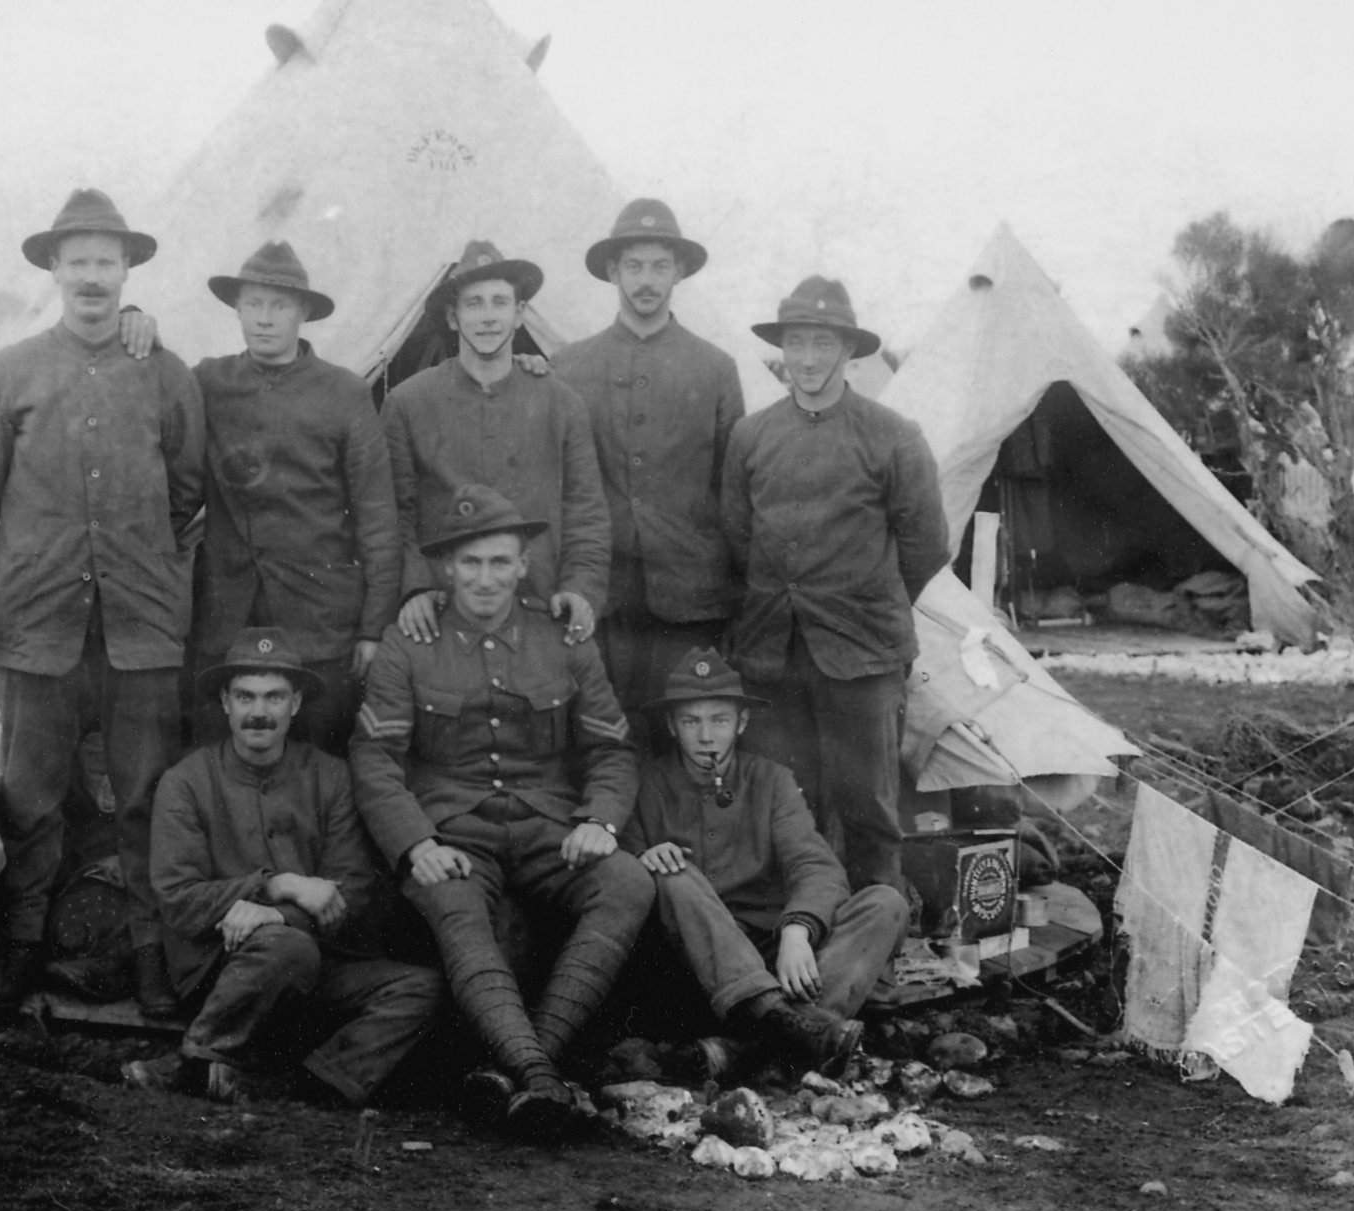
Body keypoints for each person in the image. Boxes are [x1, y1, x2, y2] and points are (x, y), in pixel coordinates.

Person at [0, 188, 204, 1014]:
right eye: (77, 259)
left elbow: (188, 487)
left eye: (107, 259)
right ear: (52, 269)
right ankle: (20, 950)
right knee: (30, 799)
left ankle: (151, 958)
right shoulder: (8, 372)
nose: (93, 275)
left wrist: (133, 555)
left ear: (129, 269)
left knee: (146, 799)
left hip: (140, 631)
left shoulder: (166, 373)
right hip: (36, 626)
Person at [353, 483, 650, 1139]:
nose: (483, 579)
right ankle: (542, 1078)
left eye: (498, 562)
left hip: (549, 827)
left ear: (522, 566)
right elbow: (374, 757)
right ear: (445, 570)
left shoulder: (563, 637)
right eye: (469, 563)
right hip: (451, 830)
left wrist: (598, 820)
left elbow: (611, 749)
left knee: (626, 880)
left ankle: (520, 1069)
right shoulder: (409, 642)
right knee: (453, 902)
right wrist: (416, 844)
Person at [142, 628, 446, 1103]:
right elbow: (179, 899)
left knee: (420, 987)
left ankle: (305, 1085)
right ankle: (193, 1059)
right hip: (221, 968)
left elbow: (353, 890)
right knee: (285, 949)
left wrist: (277, 914)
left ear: (296, 704)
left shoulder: (332, 778)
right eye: (245, 696)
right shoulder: (187, 782)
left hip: (316, 962)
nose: (258, 712)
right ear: (225, 702)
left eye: (274, 697)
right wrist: (276, 885)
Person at [721, 277, 948, 894]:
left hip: (863, 654)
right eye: (798, 343)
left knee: (869, 809)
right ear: (782, 352)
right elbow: (740, 539)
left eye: (824, 343)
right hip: (774, 654)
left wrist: (859, 602)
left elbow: (926, 549)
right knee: (784, 800)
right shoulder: (752, 436)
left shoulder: (893, 435)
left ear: (849, 351)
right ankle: (798, 930)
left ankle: (876, 937)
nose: (811, 359)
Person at [625, 648, 909, 1078]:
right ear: (671, 725)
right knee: (673, 872)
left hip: (771, 954)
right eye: (691, 721)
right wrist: (642, 861)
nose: (706, 737)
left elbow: (817, 866)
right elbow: (620, 868)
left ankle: (751, 1048)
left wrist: (797, 929)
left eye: (719, 720)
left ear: (741, 723)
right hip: (694, 972)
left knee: (885, 902)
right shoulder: (646, 785)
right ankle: (787, 1033)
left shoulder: (771, 780)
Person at [190, 241, 400, 755]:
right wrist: (133, 319)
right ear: (237, 309)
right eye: (254, 304)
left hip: (319, 621)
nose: (265, 319)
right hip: (228, 617)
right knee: (223, 760)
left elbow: (378, 520)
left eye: (280, 305)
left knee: (321, 760)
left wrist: (373, 628)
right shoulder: (207, 382)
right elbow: (148, 383)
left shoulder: (345, 394)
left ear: (304, 313)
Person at [554, 200, 745, 739]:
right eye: (634, 266)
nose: (646, 280)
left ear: (679, 272)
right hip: (604, 597)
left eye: (660, 266)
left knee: (682, 737)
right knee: (605, 735)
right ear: (613, 272)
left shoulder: (714, 368)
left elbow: (733, 492)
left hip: (690, 599)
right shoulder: (569, 366)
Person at [383, 240, 608, 650]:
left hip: (542, 608)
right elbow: (397, 514)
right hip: (441, 612)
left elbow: (586, 512)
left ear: (520, 314)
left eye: (500, 303)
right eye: (474, 304)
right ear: (453, 317)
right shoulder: (408, 403)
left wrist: (580, 589)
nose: (487, 317)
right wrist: (414, 589)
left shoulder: (561, 402)